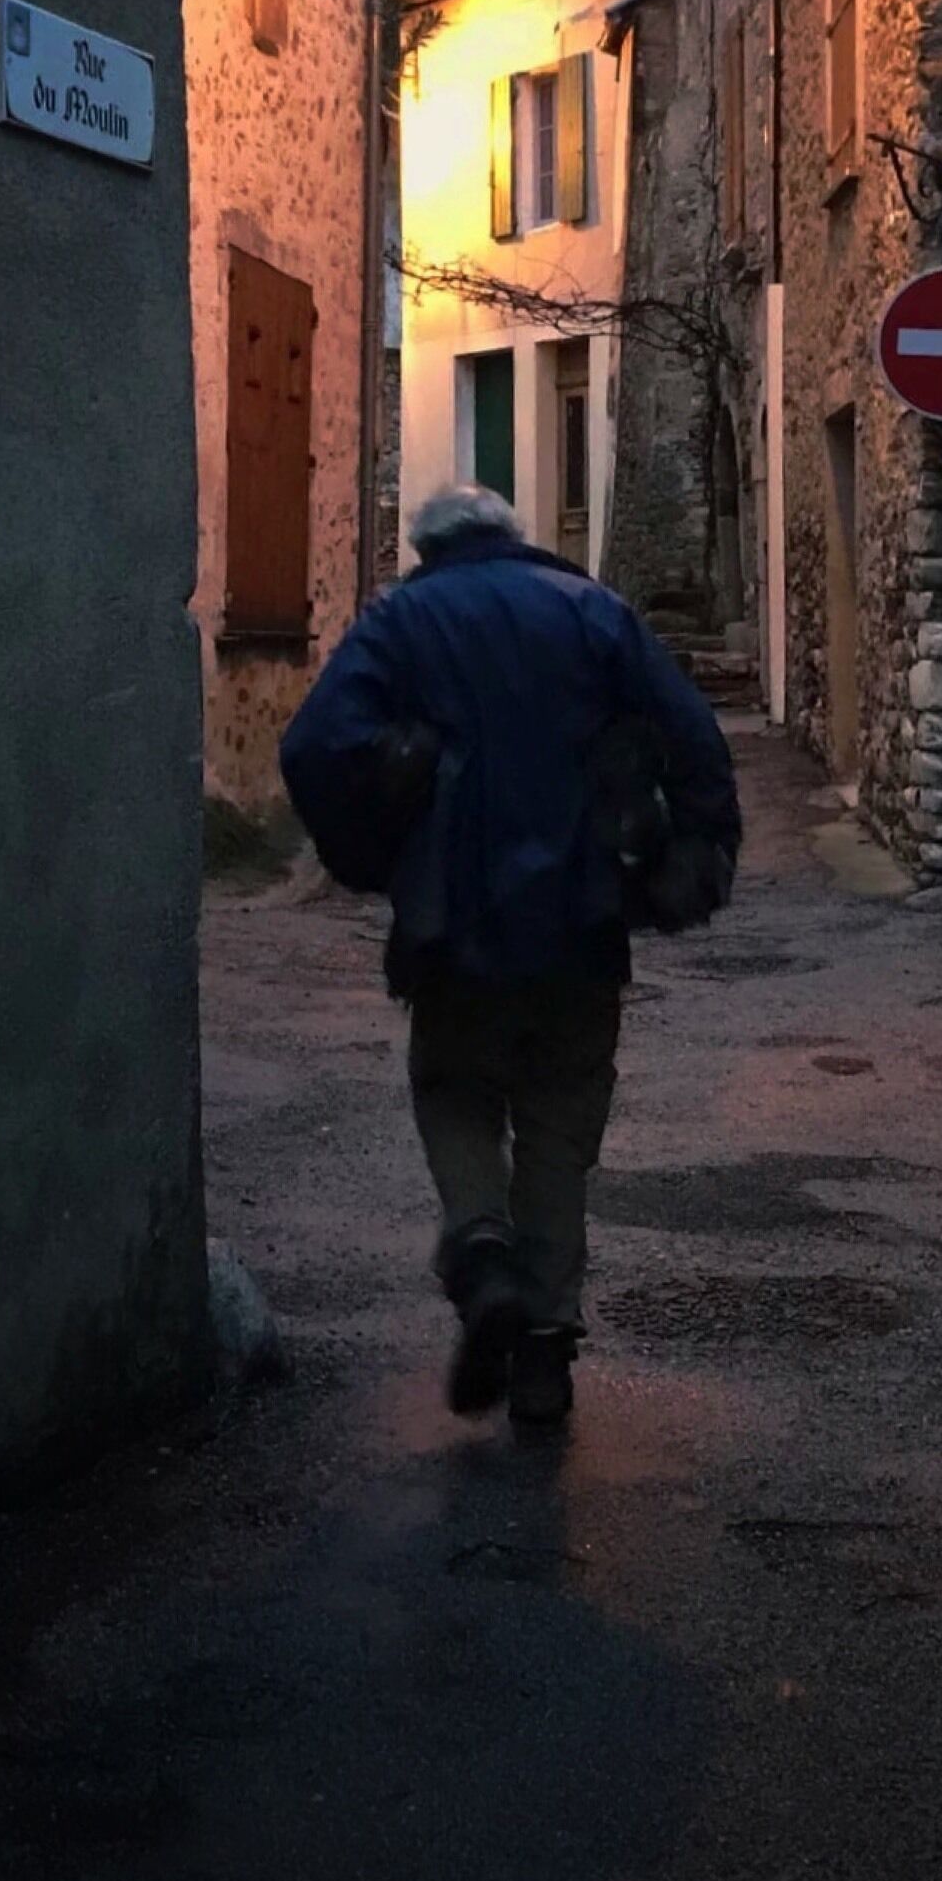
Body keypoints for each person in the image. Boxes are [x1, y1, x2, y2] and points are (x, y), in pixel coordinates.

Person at [279, 483, 741, 1429]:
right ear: (512, 536)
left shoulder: (404, 621)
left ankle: (482, 1251)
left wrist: (373, 838)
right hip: (581, 916)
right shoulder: (591, 611)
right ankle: (544, 1351)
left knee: (453, 1090)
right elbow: (694, 736)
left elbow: (315, 744)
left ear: (429, 546)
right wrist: (697, 852)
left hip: (457, 925)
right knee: (560, 1127)